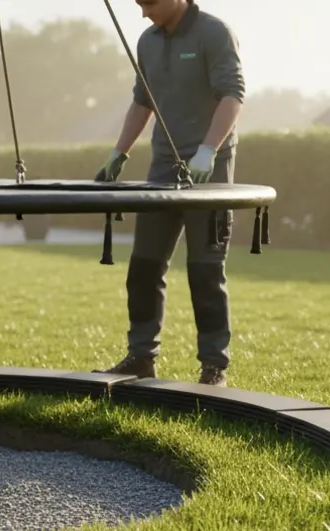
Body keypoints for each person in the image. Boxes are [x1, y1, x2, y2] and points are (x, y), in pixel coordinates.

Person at [95, 0, 244, 387]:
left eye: (151, 4)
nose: (145, 13)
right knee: (143, 268)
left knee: (206, 271)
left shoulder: (214, 33)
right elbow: (143, 102)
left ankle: (214, 367)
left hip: (208, 170)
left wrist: (208, 150)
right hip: (162, 169)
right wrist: (119, 152)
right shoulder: (147, 41)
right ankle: (141, 357)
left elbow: (232, 95)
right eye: (139, 5)